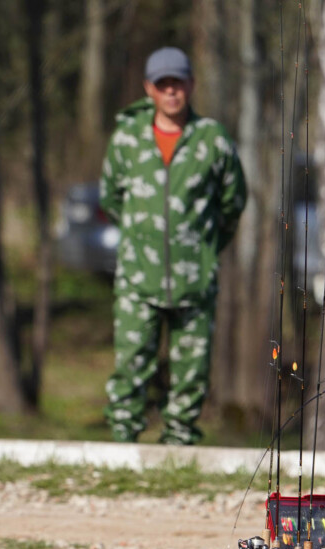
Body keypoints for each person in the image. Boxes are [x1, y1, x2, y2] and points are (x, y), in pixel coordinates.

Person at [99, 46, 247, 444]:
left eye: (177, 83)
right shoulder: (128, 138)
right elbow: (111, 198)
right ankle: (123, 444)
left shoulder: (212, 140)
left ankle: (179, 446)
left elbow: (233, 202)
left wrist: (203, 247)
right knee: (130, 366)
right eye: (162, 84)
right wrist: (140, 239)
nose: (170, 92)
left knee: (192, 373)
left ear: (191, 86)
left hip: (194, 279)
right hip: (138, 278)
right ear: (149, 88)